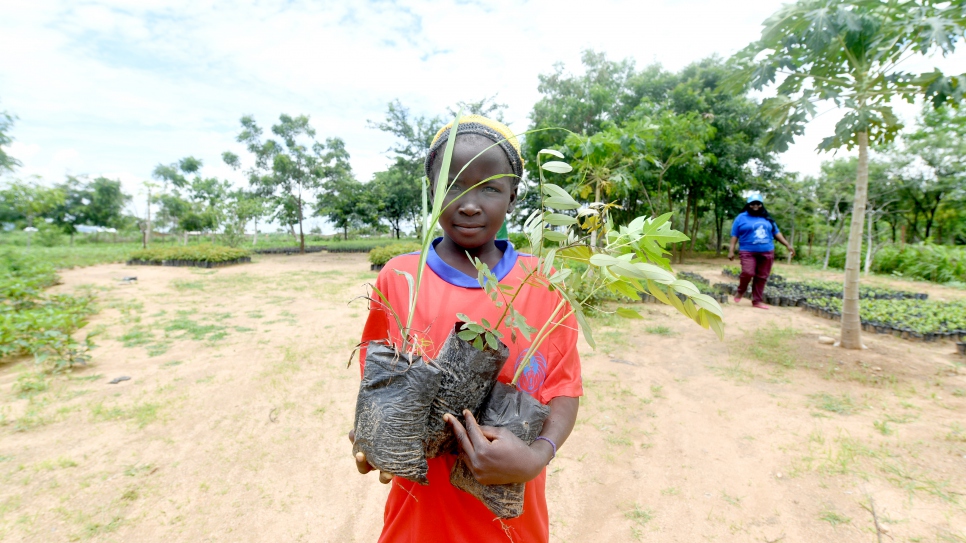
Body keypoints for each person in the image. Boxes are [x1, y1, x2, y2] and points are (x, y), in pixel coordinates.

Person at [351, 115, 582, 543]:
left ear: (513, 196)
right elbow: (377, 383)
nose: (470, 204)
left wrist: (536, 457)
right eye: (453, 185)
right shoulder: (402, 277)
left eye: (490, 187)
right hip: (417, 521)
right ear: (432, 192)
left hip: (511, 525)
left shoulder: (543, 284)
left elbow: (564, 388)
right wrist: (373, 436)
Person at [727, 193, 795, 309]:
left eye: (758, 204)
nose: (755, 206)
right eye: (752, 204)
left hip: (767, 251)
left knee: (762, 276)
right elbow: (734, 235)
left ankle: (757, 301)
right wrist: (731, 250)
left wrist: (787, 245)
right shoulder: (741, 217)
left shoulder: (767, 218)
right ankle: (741, 290)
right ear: (748, 205)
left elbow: (776, 233)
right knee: (748, 272)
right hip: (747, 251)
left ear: (761, 205)